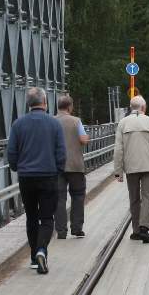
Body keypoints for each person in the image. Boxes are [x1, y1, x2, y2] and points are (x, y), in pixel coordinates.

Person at [6, 87, 65, 273]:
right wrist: (58, 170)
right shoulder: (54, 124)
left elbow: (12, 152)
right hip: (48, 176)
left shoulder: (18, 124)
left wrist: (17, 167)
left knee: (31, 216)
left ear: (28, 104)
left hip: (26, 177)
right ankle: (41, 250)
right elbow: (61, 152)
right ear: (45, 103)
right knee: (47, 218)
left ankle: (33, 257)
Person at [113, 95, 149, 243]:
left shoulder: (123, 123)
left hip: (131, 167)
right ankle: (145, 228)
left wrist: (118, 171)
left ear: (131, 107)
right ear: (143, 108)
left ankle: (136, 230)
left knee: (134, 198)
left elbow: (118, 149)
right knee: (147, 196)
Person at [54, 94, 89, 238]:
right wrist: (85, 139)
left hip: (56, 166)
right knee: (78, 196)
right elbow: (83, 139)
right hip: (75, 165)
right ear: (70, 107)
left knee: (59, 198)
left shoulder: (51, 121)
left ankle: (61, 231)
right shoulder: (76, 121)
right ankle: (76, 228)